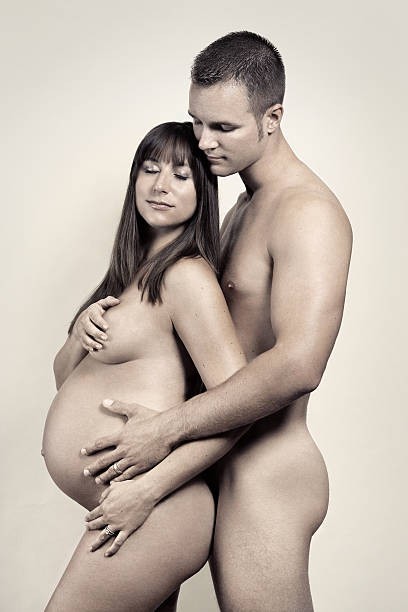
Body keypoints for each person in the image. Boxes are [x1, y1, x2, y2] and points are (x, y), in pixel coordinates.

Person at [82, 32, 353, 611]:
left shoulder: (307, 212)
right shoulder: (240, 209)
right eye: (196, 122)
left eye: (223, 127)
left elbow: (299, 365)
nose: (203, 142)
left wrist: (166, 430)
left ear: (272, 118)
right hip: (209, 458)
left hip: (265, 468)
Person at [42, 121, 249, 611]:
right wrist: (77, 336)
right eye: (150, 169)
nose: (160, 185)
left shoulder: (186, 276)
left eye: (181, 175)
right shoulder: (131, 273)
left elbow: (238, 407)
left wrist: (147, 491)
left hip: (158, 506)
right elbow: (64, 381)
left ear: (203, 190)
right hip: (132, 504)